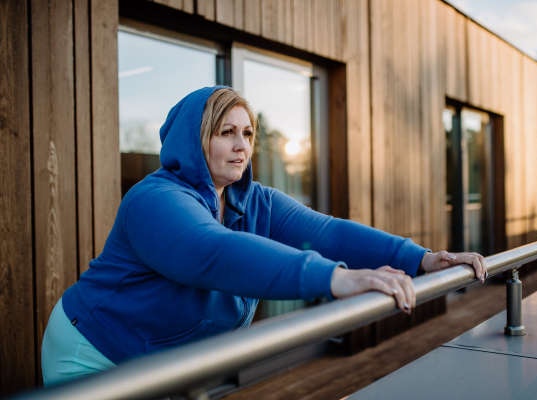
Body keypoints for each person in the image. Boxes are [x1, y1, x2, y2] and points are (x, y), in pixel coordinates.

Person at [41, 86, 487, 386]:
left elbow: (327, 232)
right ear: (195, 140)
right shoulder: (153, 200)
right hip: (94, 353)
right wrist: (336, 279)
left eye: (249, 134)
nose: (242, 146)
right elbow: (210, 252)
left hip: (163, 361)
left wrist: (423, 259)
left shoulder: (255, 201)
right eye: (227, 132)